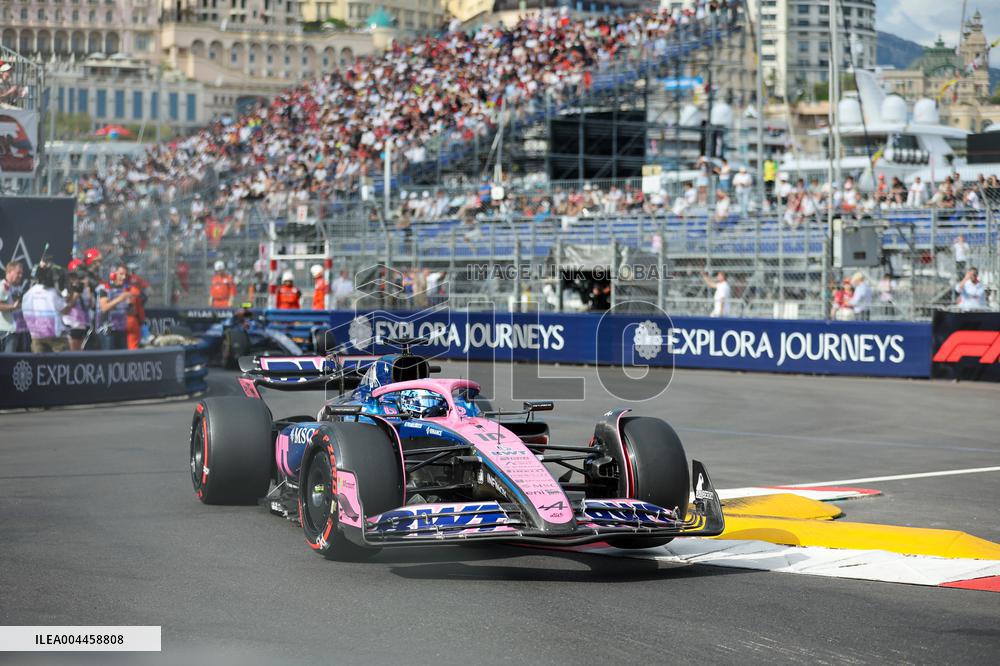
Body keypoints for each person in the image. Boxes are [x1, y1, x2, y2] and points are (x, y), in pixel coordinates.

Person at [21, 263, 78, 353]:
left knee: (39, 365)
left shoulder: (27, 294)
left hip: (36, 336)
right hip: (55, 337)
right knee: (62, 364)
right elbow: (65, 311)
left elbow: (25, 314)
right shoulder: (52, 293)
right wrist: (73, 298)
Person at [96, 265, 133, 350]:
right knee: (109, 358)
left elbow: (131, 312)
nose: (123, 277)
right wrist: (121, 298)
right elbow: (104, 308)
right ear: (113, 274)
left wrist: (130, 304)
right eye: (121, 274)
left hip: (121, 329)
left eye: (125, 275)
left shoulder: (125, 289)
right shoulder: (104, 288)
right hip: (107, 330)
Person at [62, 259, 95, 351]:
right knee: (73, 353)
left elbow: (91, 306)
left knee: (81, 352)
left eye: (83, 278)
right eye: (79, 278)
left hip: (83, 326)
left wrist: (89, 294)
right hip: (71, 326)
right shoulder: (67, 291)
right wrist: (76, 295)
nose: (82, 281)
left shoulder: (86, 291)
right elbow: (64, 311)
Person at [0, 259, 28, 352]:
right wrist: (13, 307)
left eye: (21, 273)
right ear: (9, 272)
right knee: (9, 363)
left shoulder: (17, 287)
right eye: (18, 273)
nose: (21, 276)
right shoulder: (4, 286)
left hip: (19, 330)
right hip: (8, 332)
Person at [125, 269, 148, 350]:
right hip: (131, 320)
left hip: (121, 321)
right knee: (133, 345)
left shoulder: (128, 290)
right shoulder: (135, 292)